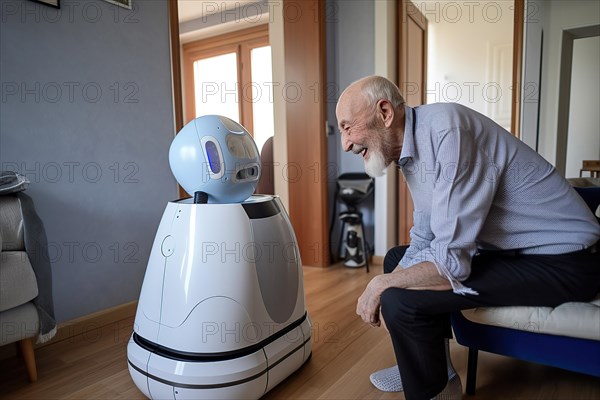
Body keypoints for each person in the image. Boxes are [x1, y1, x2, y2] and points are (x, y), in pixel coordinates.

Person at [335, 75, 600, 400]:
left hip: (566, 261)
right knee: (394, 260)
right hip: (515, 251)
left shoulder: (449, 133)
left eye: (348, 128)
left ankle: (436, 392)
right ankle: (430, 369)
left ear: (385, 113)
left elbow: (450, 266)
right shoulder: (411, 149)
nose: (345, 144)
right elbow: (424, 236)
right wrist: (392, 275)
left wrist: (380, 285)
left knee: (397, 298)